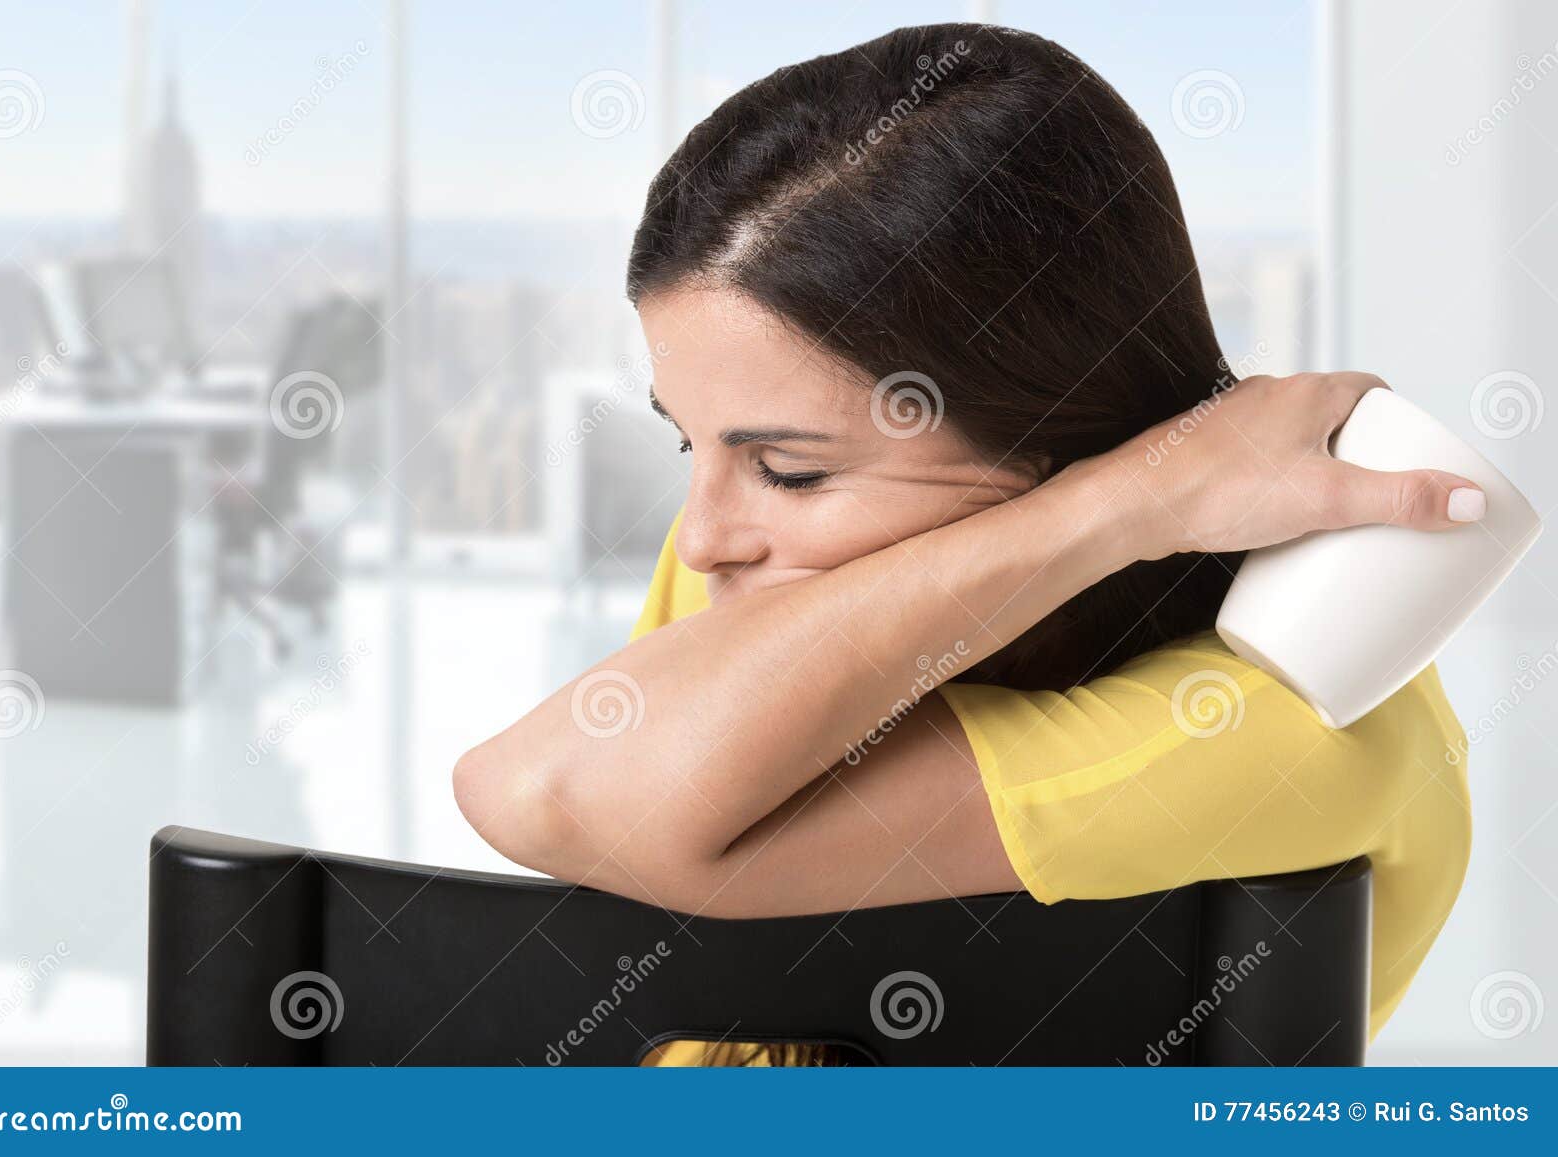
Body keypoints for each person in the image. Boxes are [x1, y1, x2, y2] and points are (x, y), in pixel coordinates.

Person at [454, 25, 1477, 1065]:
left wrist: (1113, 506)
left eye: (790, 470)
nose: (705, 534)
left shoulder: (1308, 724)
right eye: (686, 439)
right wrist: (1118, 502)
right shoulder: (757, 561)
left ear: (1054, 444)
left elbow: (547, 790)